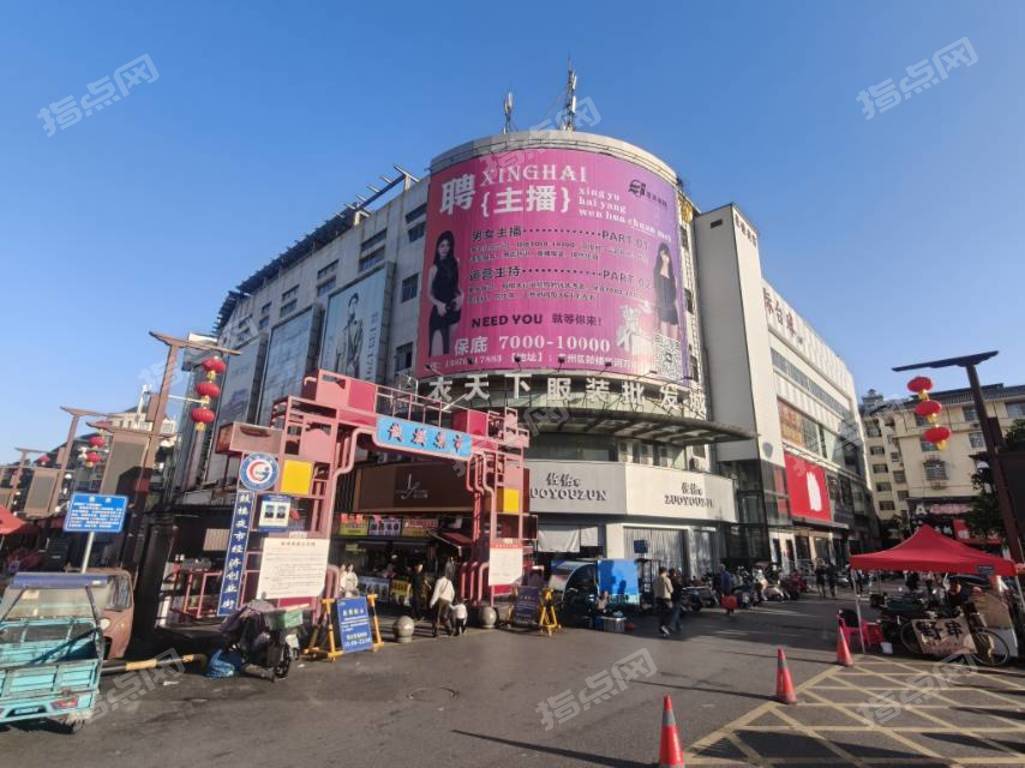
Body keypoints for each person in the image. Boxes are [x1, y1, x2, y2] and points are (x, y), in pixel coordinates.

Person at [427, 231, 462, 356]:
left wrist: (461, 296)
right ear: (437, 248)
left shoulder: (456, 263)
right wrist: (438, 304)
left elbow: (457, 286)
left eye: (448, 245)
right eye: (442, 245)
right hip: (439, 311)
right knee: (437, 353)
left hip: (454, 309)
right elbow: (429, 294)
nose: (445, 248)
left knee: (451, 350)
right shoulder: (433, 269)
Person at [652, 242, 680, 340]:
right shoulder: (657, 271)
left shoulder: (673, 276)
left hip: (672, 309)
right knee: (664, 343)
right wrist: (664, 262)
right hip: (663, 308)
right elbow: (658, 285)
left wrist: (680, 317)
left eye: (665, 253)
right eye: (662, 254)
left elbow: (675, 298)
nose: (664, 256)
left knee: (673, 342)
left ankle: (672, 351)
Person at [429, 570, 455, 637]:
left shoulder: (439, 581)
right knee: (445, 616)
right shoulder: (449, 582)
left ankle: (435, 632)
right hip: (447, 601)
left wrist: (432, 602)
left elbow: (436, 593)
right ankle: (450, 630)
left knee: (436, 616)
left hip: (440, 600)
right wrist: (450, 600)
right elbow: (453, 593)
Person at [655, 566, 674, 637]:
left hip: (658, 598)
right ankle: (664, 626)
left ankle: (662, 630)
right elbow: (671, 590)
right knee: (670, 613)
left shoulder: (655, 579)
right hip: (666, 598)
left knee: (661, 614)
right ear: (665, 572)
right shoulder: (666, 579)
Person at [668, 568, 685, 633]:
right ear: (674, 573)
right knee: (676, 612)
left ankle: (679, 626)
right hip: (677, 597)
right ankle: (672, 625)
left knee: (674, 611)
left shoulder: (668, 579)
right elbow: (680, 587)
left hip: (670, 597)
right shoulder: (676, 579)